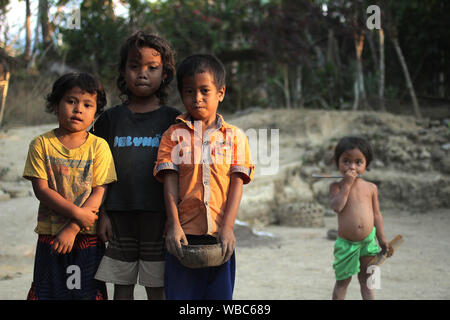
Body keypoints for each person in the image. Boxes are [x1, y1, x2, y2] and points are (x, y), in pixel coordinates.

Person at [154, 54, 254, 300]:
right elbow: (169, 183)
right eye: (189, 91)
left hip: (220, 237)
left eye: (204, 91)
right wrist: (174, 225)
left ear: (220, 92)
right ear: (181, 93)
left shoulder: (235, 137)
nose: (196, 98)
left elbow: (236, 186)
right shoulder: (173, 135)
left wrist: (228, 228)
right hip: (183, 237)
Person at [92, 31, 180, 300]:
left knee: (157, 285)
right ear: (123, 71)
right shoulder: (109, 120)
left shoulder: (174, 120)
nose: (142, 73)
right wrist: (102, 213)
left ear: (164, 74)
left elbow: (180, 174)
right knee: (122, 284)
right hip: (118, 217)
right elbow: (97, 171)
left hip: (159, 218)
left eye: (152, 68)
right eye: (134, 66)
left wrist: (175, 220)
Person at [23, 72, 117, 300]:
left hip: (87, 237)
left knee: (85, 293)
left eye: (87, 104)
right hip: (51, 235)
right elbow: (41, 190)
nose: (78, 109)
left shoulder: (99, 147)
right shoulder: (41, 145)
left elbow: (99, 191)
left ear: (96, 111)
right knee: (49, 291)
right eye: (71, 101)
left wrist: (74, 227)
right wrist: (77, 214)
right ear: (55, 105)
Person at [329, 136, 390, 300]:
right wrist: (347, 185)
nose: (352, 166)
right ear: (337, 162)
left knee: (367, 281)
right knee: (342, 282)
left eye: (358, 162)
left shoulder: (371, 188)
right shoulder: (337, 186)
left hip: (368, 243)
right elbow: (337, 207)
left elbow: (377, 214)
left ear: (366, 164)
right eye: (346, 161)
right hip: (347, 245)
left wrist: (382, 239)